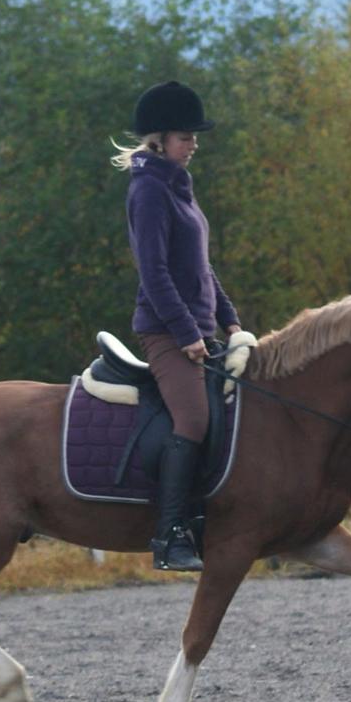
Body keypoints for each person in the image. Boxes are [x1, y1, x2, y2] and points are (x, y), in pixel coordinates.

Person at [112, 80, 243, 572]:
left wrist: (228, 320)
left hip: (197, 327)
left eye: (193, 136)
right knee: (192, 420)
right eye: (186, 136)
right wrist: (187, 333)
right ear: (159, 140)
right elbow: (156, 272)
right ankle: (169, 535)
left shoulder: (178, 187)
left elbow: (200, 267)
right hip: (166, 331)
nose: (194, 143)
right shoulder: (148, 191)